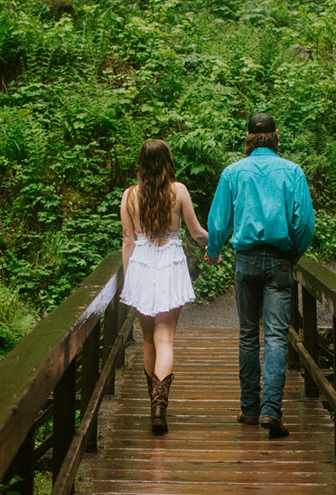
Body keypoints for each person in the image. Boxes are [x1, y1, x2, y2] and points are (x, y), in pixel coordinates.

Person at [205, 111, 315, 438]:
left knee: (248, 334)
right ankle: (271, 410)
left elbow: (219, 220)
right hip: (279, 260)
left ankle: (250, 408)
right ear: (276, 135)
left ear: (249, 138)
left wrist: (214, 249)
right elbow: (304, 223)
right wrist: (292, 254)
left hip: (245, 260)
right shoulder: (292, 172)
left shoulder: (233, 172)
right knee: (277, 336)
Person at [119, 137, 210, 434]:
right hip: (170, 262)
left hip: (142, 264)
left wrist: (129, 277)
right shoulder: (179, 191)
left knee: (148, 339)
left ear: (142, 164)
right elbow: (196, 232)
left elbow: (128, 240)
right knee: (165, 339)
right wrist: (217, 241)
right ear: (167, 161)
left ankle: (153, 403)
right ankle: (160, 406)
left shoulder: (129, 196)